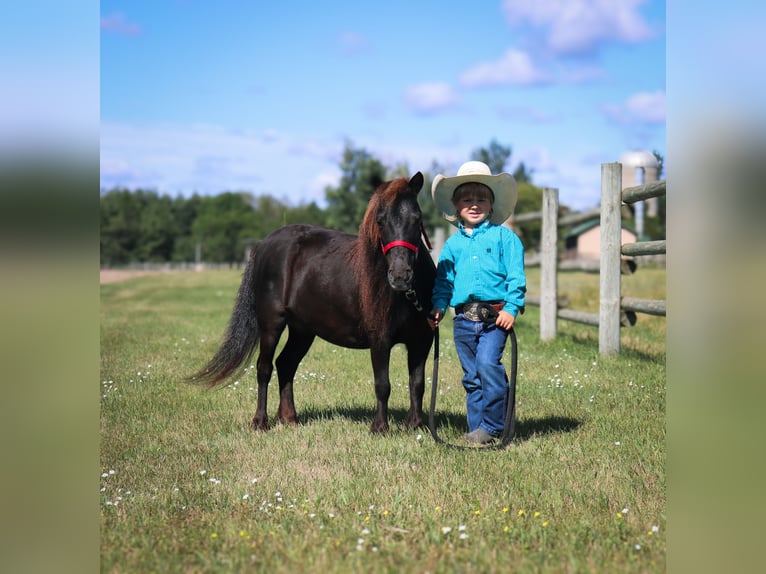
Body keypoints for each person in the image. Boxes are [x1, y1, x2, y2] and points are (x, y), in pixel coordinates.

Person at [429, 161, 526, 445]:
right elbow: (444, 281)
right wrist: (438, 305)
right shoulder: (452, 245)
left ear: (492, 204)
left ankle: (494, 425)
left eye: (481, 199)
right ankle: (477, 429)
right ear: (456, 206)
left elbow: (515, 277)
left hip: (494, 318)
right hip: (462, 321)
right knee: (472, 377)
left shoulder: (505, 239)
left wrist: (511, 307)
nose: (474, 205)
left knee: (487, 365)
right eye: (467, 200)